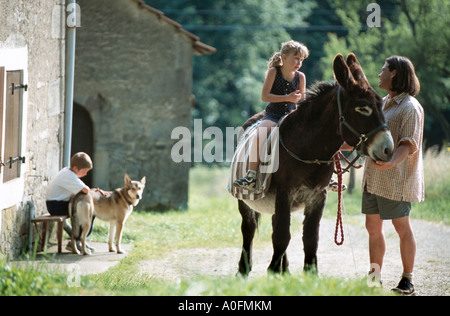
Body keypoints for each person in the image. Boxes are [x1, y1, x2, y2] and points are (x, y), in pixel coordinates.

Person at [358, 56, 424, 295]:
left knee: (401, 227)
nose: (379, 74)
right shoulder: (382, 104)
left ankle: (408, 280)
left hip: (396, 180)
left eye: (383, 70)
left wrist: (389, 164)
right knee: (372, 228)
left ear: (394, 73)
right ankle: (374, 277)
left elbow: (408, 144)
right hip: (372, 178)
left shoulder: (410, 107)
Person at [233, 40, 308, 189]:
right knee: (261, 133)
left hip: (292, 116)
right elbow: (265, 96)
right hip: (274, 115)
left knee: (312, 134)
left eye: (301, 59)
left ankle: (326, 176)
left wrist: (299, 103)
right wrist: (288, 98)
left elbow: (302, 101)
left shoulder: (301, 77)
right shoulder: (274, 72)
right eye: (296, 58)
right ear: (284, 57)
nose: (299, 62)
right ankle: (251, 175)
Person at [46, 152, 108, 253]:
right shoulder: (69, 176)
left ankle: (79, 240)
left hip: (57, 203)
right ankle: (78, 241)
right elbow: (86, 190)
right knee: (88, 211)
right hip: (56, 205)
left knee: (85, 209)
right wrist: (94, 191)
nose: (85, 174)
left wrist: (93, 190)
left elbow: (84, 190)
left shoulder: (67, 171)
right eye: (84, 171)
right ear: (75, 168)